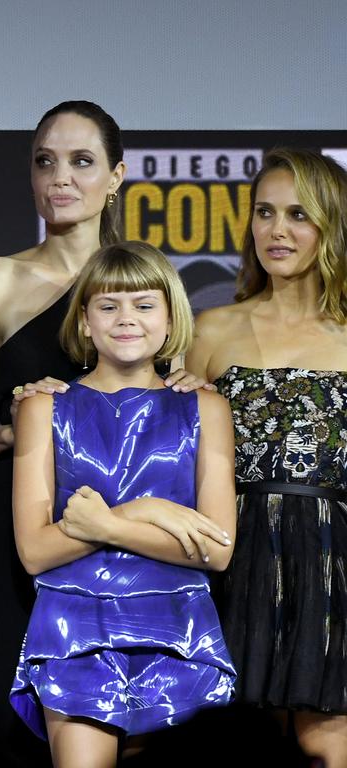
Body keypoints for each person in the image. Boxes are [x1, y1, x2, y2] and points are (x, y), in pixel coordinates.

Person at [0, 101, 203, 764]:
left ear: (117, 175)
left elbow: (176, 427)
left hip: (135, 547)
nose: (60, 177)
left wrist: (185, 388)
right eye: (45, 161)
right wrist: (20, 437)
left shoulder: (148, 285)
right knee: (13, 724)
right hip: (27, 533)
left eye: (81, 161)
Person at [10, 241, 237, 767]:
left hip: (179, 627)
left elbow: (217, 550)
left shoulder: (206, 408)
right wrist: (144, 512)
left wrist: (107, 524)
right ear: (85, 321)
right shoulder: (44, 407)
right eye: (108, 306)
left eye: (144, 304)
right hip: (74, 628)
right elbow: (35, 551)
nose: (126, 319)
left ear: (170, 315)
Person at [185, 148, 347, 768]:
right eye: (265, 212)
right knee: (232, 745)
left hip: (333, 563)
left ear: (330, 225)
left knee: (325, 741)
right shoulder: (209, 330)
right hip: (230, 558)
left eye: (299, 214)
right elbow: (153, 437)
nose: (277, 230)